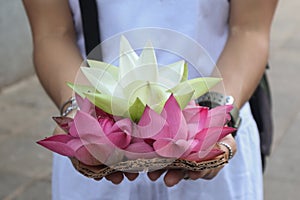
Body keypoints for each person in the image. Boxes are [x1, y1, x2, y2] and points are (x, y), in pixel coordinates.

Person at [23, 0, 278, 199]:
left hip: (210, 125)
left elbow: (248, 30)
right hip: (99, 137)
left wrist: (216, 116)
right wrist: (78, 109)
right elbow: (52, 33)